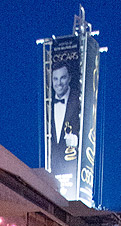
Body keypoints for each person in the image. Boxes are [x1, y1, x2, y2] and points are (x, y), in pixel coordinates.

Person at [50, 62, 81, 190]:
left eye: (62, 78)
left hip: (72, 168)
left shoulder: (79, 98)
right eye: (55, 79)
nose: (59, 83)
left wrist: (77, 140)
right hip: (54, 169)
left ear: (69, 78)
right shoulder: (48, 103)